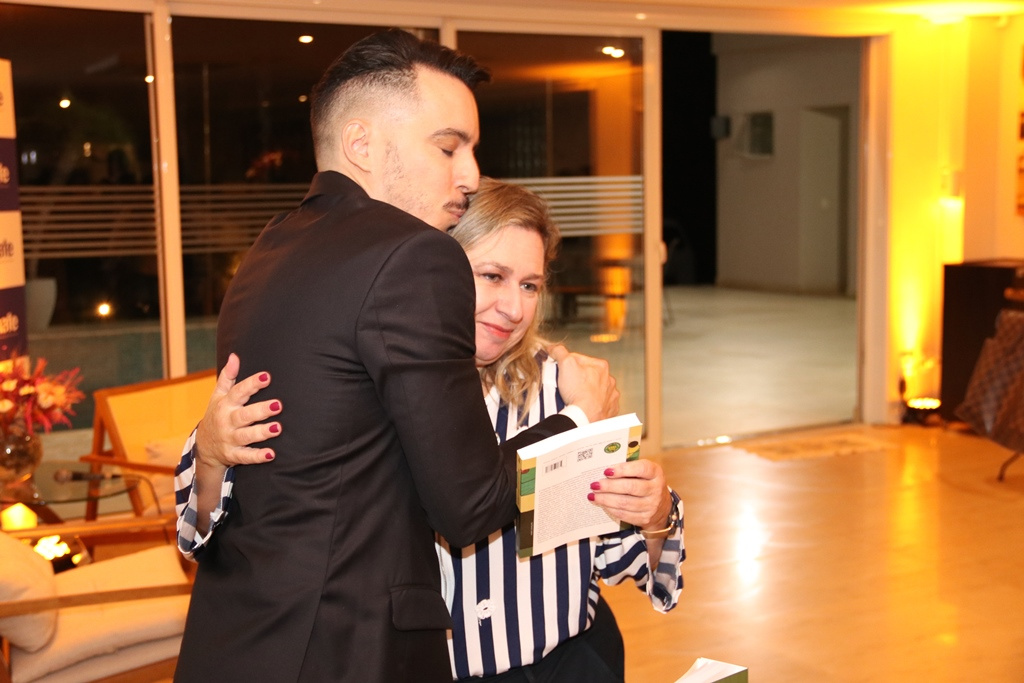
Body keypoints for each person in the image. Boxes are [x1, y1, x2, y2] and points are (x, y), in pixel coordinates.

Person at [172, 30, 617, 683]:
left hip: (242, 636)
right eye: (448, 147)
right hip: (345, 645)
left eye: (530, 284)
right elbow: (469, 505)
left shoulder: (271, 248)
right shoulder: (415, 254)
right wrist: (577, 421)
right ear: (362, 144)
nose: (469, 174)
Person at [180, 179, 684, 682]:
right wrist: (208, 455)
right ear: (435, 274)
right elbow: (208, 536)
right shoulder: (362, 395)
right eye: (492, 276)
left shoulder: (568, 390)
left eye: (530, 285)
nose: (514, 308)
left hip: (572, 664)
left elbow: (620, 556)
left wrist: (657, 516)